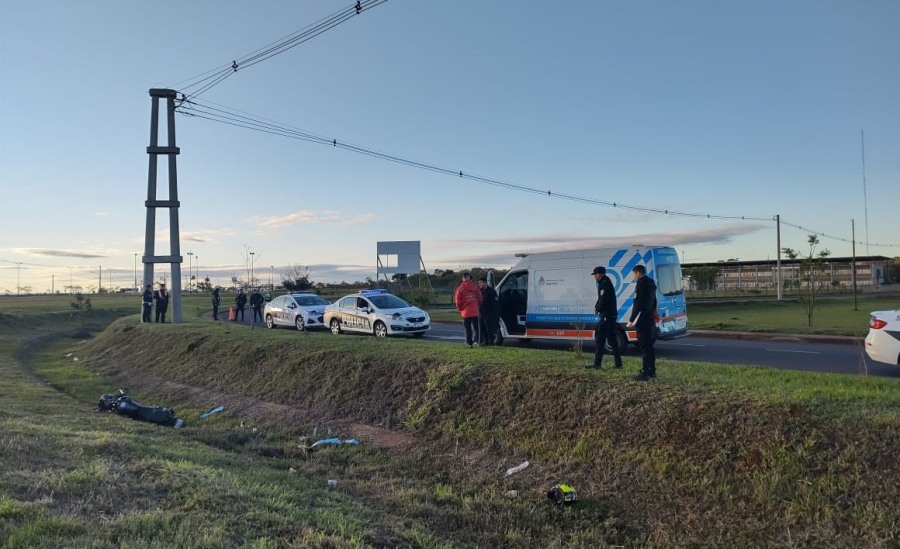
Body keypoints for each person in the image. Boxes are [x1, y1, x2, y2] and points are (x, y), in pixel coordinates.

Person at [627, 264, 658, 380]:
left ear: (638, 273)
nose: (634, 276)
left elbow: (637, 303)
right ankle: (652, 371)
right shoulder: (651, 282)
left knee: (644, 346)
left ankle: (645, 373)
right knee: (649, 346)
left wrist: (631, 319)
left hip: (642, 318)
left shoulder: (640, 283)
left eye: (634, 274)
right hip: (649, 317)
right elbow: (654, 301)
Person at [588, 266, 622, 369]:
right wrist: (596, 306)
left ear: (599, 274)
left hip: (607, 315)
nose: (594, 277)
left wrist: (597, 308)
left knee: (600, 338)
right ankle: (618, 364)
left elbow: (604, 299)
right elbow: (601, 299)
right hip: (610, 315)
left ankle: (597, 364)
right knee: (612, 340)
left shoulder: (604, 283)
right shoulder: (605, 282)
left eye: (594, 274)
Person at [454, 271, 482, 348]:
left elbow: (458, 300)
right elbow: (480, 298)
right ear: (469, 277)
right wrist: (477, 306)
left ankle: (469, 343)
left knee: (468, 328)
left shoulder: (460, 288)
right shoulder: (475, 286)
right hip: (475, 310)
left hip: (466, 312)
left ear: (463, 278)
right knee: (476, 327)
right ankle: (478, 341)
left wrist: (459, 308)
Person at [477, 276, 499, 345]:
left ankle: (490, 342)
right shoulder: (479, 292)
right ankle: (484, 342)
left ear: (485, 282)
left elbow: (495, 304)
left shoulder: (491, 291)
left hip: (489, 314)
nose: (480, 284)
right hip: (481, 313)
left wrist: (493, 314)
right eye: (479, 283)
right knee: (482, 329)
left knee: (489, 329)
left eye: (481, 283)